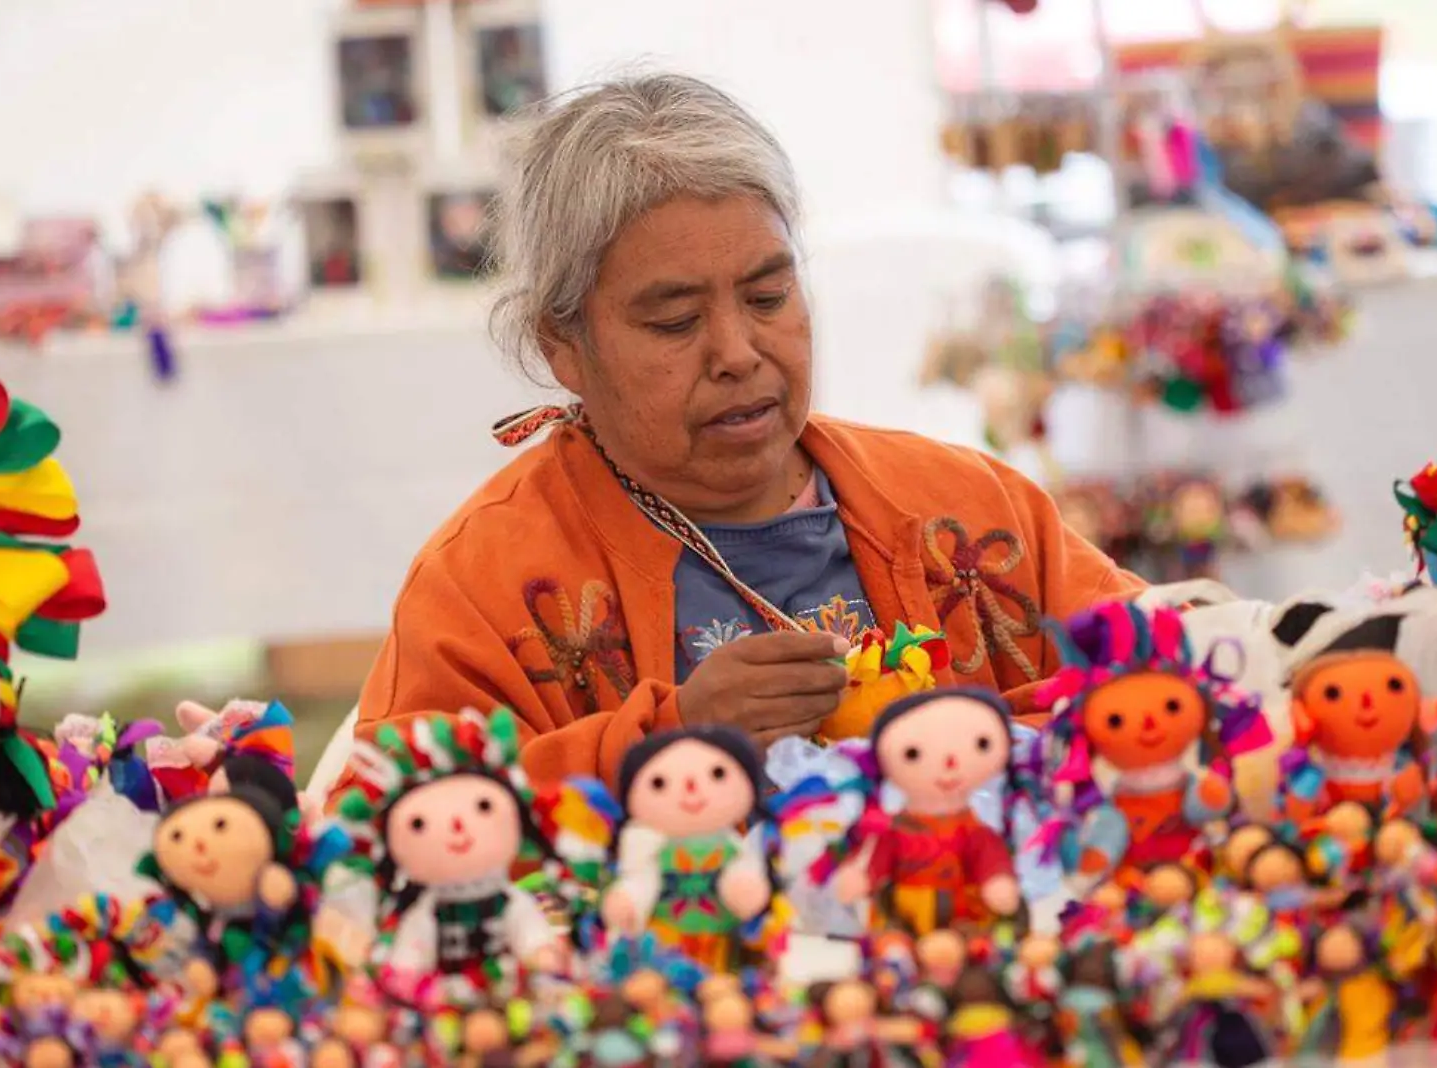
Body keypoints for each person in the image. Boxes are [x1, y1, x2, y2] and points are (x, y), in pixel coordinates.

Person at [349, 73, 1142, 788]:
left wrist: (970, 746)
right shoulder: (486, 581)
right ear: (563, 345)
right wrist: (671, 740)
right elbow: (386, 823)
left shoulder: (970, 503)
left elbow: (1169, 676)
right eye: (675, 320)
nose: (738, 353)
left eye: (768, 298)